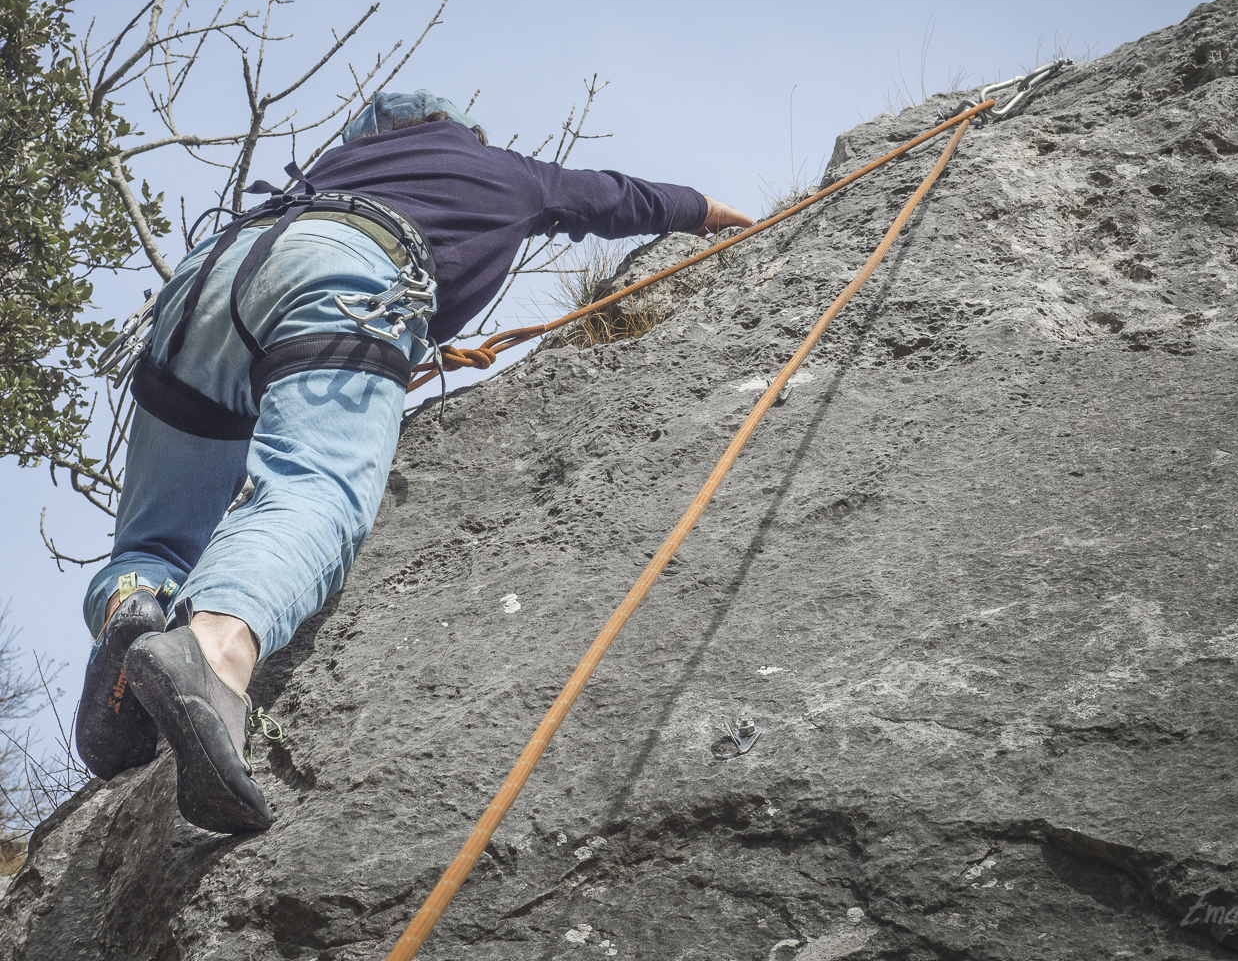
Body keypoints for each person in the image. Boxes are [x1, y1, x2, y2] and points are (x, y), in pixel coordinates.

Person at [75, 90, 755, 833]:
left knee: (154, 542)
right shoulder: (502, 169)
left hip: (212, 275)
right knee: (314, 487)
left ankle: (131, 611)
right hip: (344, 272)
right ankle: (212, 653)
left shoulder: (344, 160)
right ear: (457, 129)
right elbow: (622, 198)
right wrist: (727, 218)